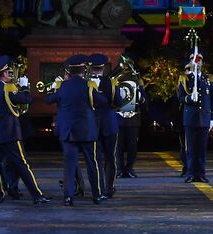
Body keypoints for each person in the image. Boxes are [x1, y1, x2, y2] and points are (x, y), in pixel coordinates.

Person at [0, 55, 47, 208]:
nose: (10, 74)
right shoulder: (7, 89)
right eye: (8, 72)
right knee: (22, 165)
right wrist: (24, 87)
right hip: (9, 134)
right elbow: (27, 100)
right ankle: (37, 195)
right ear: (3, 73)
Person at [47, 54, 107, 205]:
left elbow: (49, 100)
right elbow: (102, 102)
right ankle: (97, 195)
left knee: (69, 165)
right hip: (87, 131)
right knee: (92, 164)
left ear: (69, 71)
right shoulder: (88, 86)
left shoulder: (62, 86)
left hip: (68, 131)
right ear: (83, 70)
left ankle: (68, 196)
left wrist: (51, 89)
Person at [178, 53, 213, 184]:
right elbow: (180, 97)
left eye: (199, 61)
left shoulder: (208, 79)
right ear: (190, 63)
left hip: (204, 118)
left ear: (202, 63)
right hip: (190, 118)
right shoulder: (185, 78)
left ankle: (201, 174)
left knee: (201, 149)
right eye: (194, 60)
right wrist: (190, 98)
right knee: (191, 149)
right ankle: (191, 174)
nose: (197, 63)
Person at [90, 53, 121, 198]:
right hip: (109, 124)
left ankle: (99, 188)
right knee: (110, 157)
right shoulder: (110, 82)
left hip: (92, 125)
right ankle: (109, 188)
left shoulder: (86, 83)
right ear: (103, 68)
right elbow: (119, 102)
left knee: (96, 159)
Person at [113, 55, 147, 178]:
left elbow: (144, 99)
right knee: (119, 147)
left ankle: (130, 169)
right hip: (119, 117)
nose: (126, 67)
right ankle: (120, 169)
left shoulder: (138, 79)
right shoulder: (115, 79)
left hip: (133, 118)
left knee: (132, 146)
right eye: (125, 65)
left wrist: (141, 98)